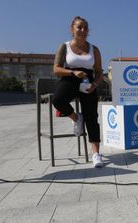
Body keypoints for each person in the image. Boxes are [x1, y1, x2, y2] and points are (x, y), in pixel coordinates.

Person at [52, 16, 104, 168]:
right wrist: (72, 73)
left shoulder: (94, 49)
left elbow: (99, 72)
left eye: (85, 28)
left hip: (88, 81)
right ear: (72, 29)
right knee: (58, 100)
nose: (83, 30)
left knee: (92, 117)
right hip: (70, 78)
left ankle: (96, 154)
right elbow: (56, 69)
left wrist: (94, 84)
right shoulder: (65, 46)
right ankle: (76, 118)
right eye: (79, 27)